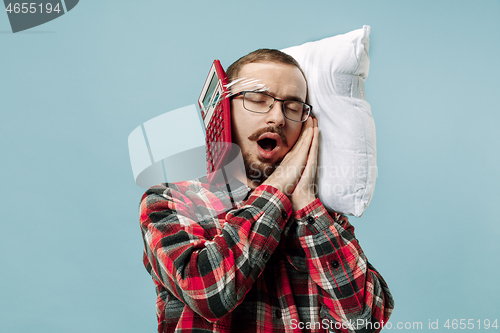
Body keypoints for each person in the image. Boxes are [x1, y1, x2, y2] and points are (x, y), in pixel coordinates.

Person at [139, 49, 394, 333]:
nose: (278, 118)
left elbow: (365, 322)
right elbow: (209, 292)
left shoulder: (323, 220)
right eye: (258, 100)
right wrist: (280, 184)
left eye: (293, 107)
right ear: (224, 110)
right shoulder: (172, 201)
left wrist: (306, 204)